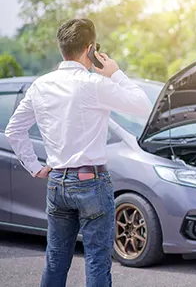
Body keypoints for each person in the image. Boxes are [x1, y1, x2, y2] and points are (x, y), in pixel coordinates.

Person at [5, 18, 152, 287]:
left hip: (57, 183)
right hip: (92, 183)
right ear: (91, 49)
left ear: (62, 48)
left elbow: (14, 130)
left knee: (56, 259)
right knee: (96, 259)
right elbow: (142, 105)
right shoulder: (94, 84)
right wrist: (115, 73)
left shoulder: (40, 85)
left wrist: (35, 166)